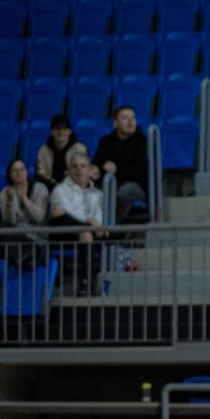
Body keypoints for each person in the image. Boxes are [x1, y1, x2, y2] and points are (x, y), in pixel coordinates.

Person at [49, 149, 107, 295]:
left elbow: (98, 216)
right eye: (75, 166)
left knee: (101, 233)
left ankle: (95, 283)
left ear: (89, 169)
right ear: (69, 170)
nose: (79, 170)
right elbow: (65, 214)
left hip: (88, 232)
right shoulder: (60, 189)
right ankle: (85, 283)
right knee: (86, 232)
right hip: (61, 231)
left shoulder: (98, 194)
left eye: (83, 166)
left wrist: (97, 226)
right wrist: (90, 222)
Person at [94, 105, 151, 223]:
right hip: (109, 183)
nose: (131, 122)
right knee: (92, 191)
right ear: (115, 123)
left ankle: (110, 227)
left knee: (123, 193)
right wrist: (101, 167)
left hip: (136, 186)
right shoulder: (105, 141)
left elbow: (139, 173)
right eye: (125, 118)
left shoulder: (143, 142)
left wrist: (116, 169)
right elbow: (98, 163)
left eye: (133, 118)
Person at [34, 113, 86, 192]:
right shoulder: (44, 150)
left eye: (64, 128)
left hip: (73, 186)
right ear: (51, 131)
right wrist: (53, 183)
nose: (61, 131)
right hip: (49, 185)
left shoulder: (79, 148)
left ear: (70, 131)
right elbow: (40, 172)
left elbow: (81, 172)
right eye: (57, 128)